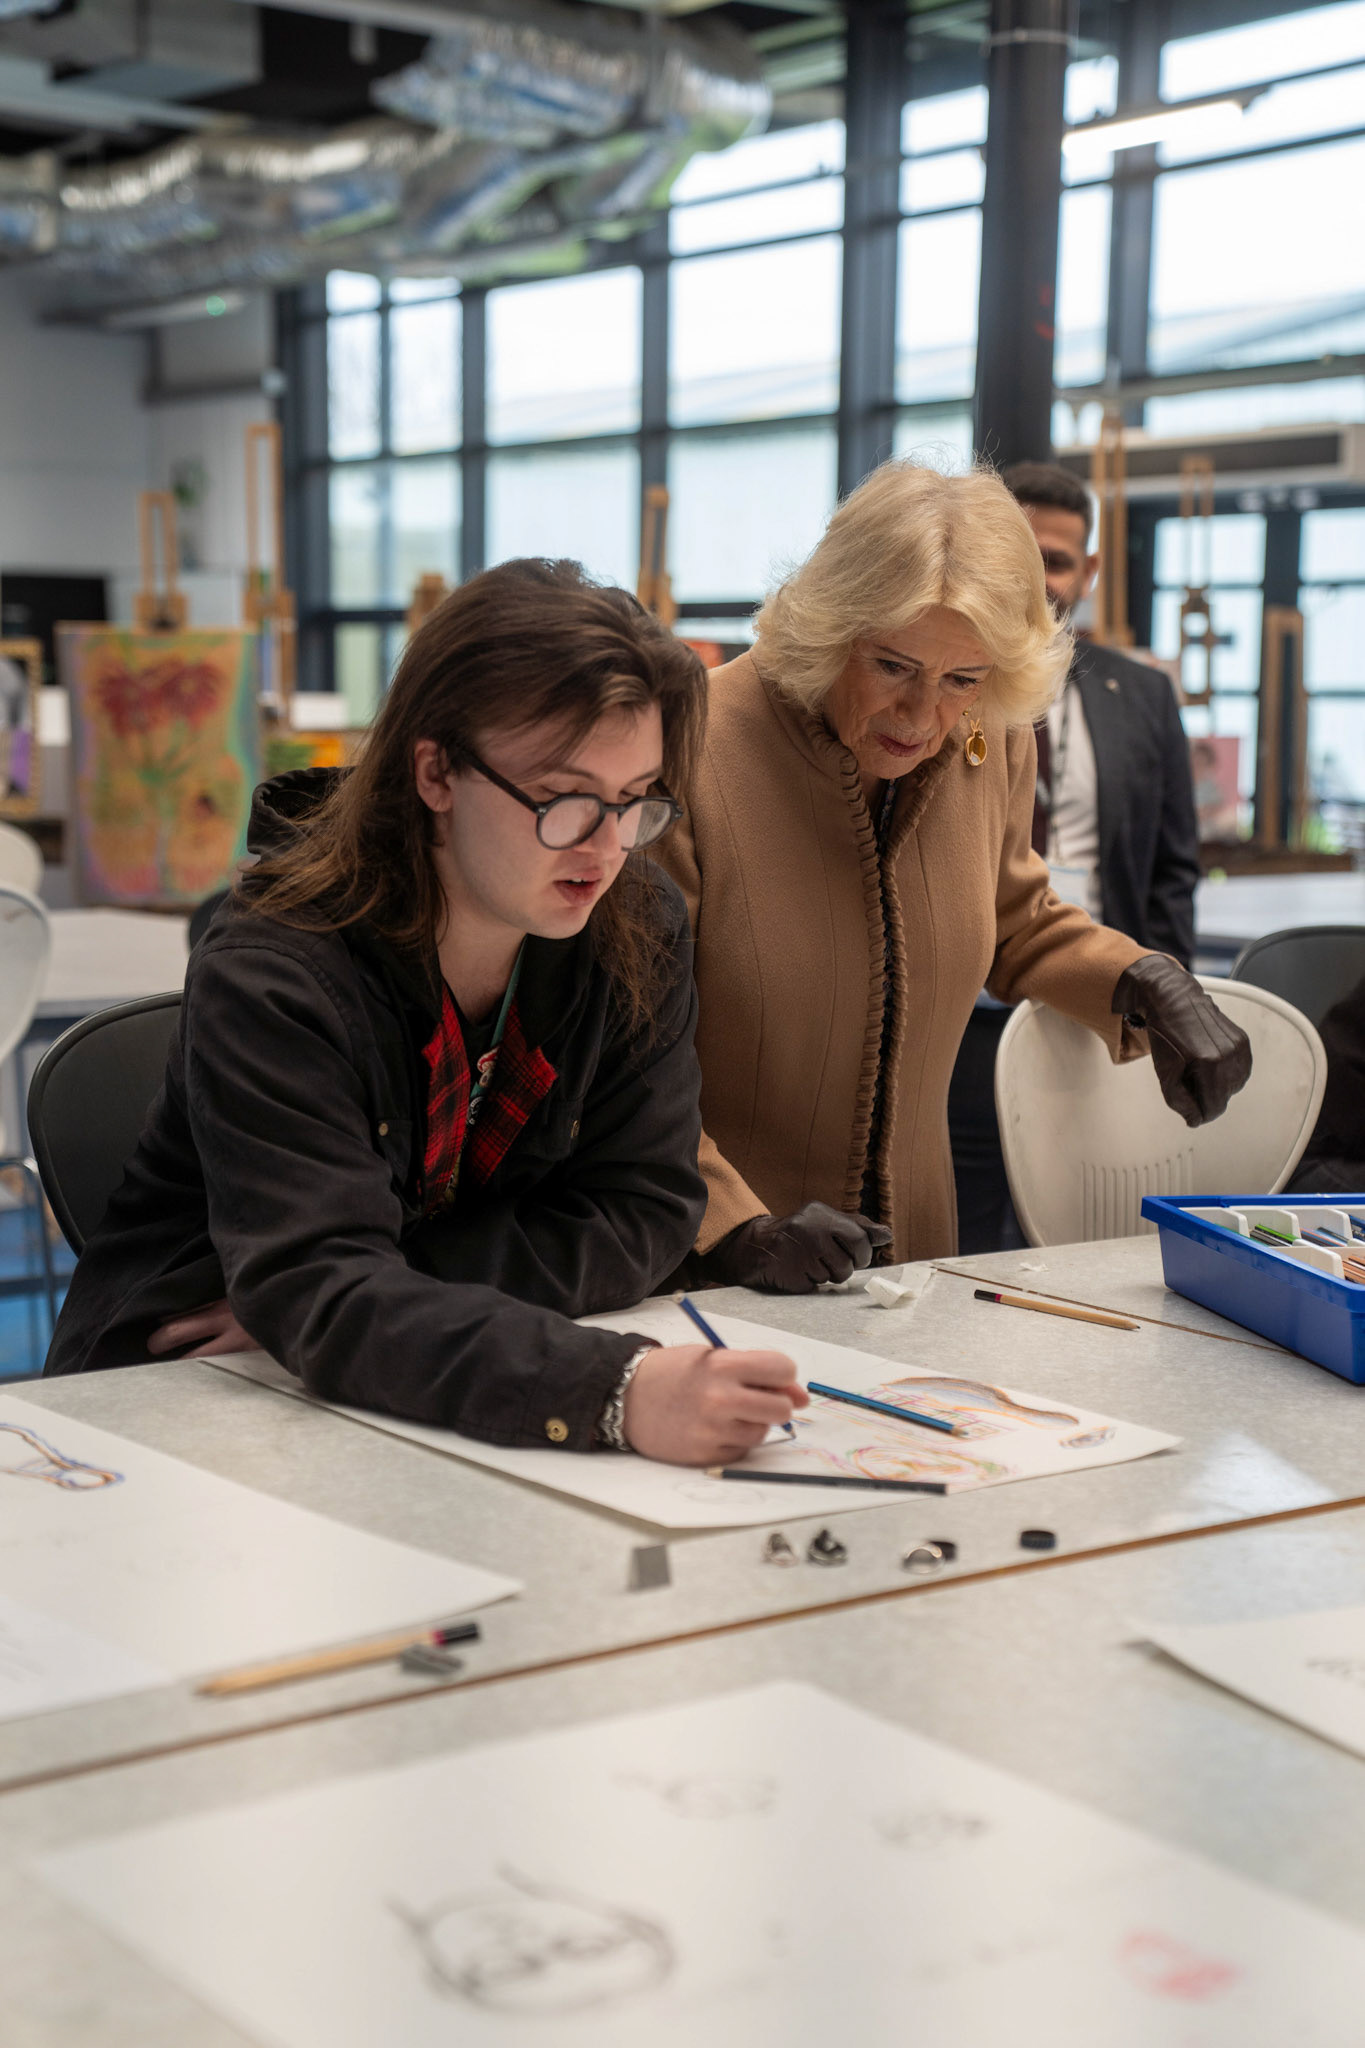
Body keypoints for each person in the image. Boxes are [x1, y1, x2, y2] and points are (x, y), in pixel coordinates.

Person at [43, 561, 807, 1466]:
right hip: (185, 1400)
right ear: (436, 771)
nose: (605, 849)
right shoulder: (277, 967)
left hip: (402, 1367)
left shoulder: (633, 924)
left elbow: (647, 1208)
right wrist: (614, 1390)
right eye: (563, 799)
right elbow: (324, 1288)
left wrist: (379, 1296)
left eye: (634, 799)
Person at [653, 460, 1250, 1292]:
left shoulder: (990, 735)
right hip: (708, 1268)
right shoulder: (690, 746)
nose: (922, 715)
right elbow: (619, 1062)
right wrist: (732, 1228)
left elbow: (1013, 916)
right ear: (828, 627)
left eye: (962, 679)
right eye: (892, 666)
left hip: (915, 1263)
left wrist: (1142, 980)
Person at [948, 459, 1205, 1252]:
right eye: (1016, 556)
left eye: (1054, 561)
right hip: (961, 1010)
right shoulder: (945, 685)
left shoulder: (1143, 695)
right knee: (959, 1222)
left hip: (1098, 1009)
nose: (1037, 580)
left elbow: (1171, 870)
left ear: (1087, 571)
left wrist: (1165, 995)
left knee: (1083, 1223)